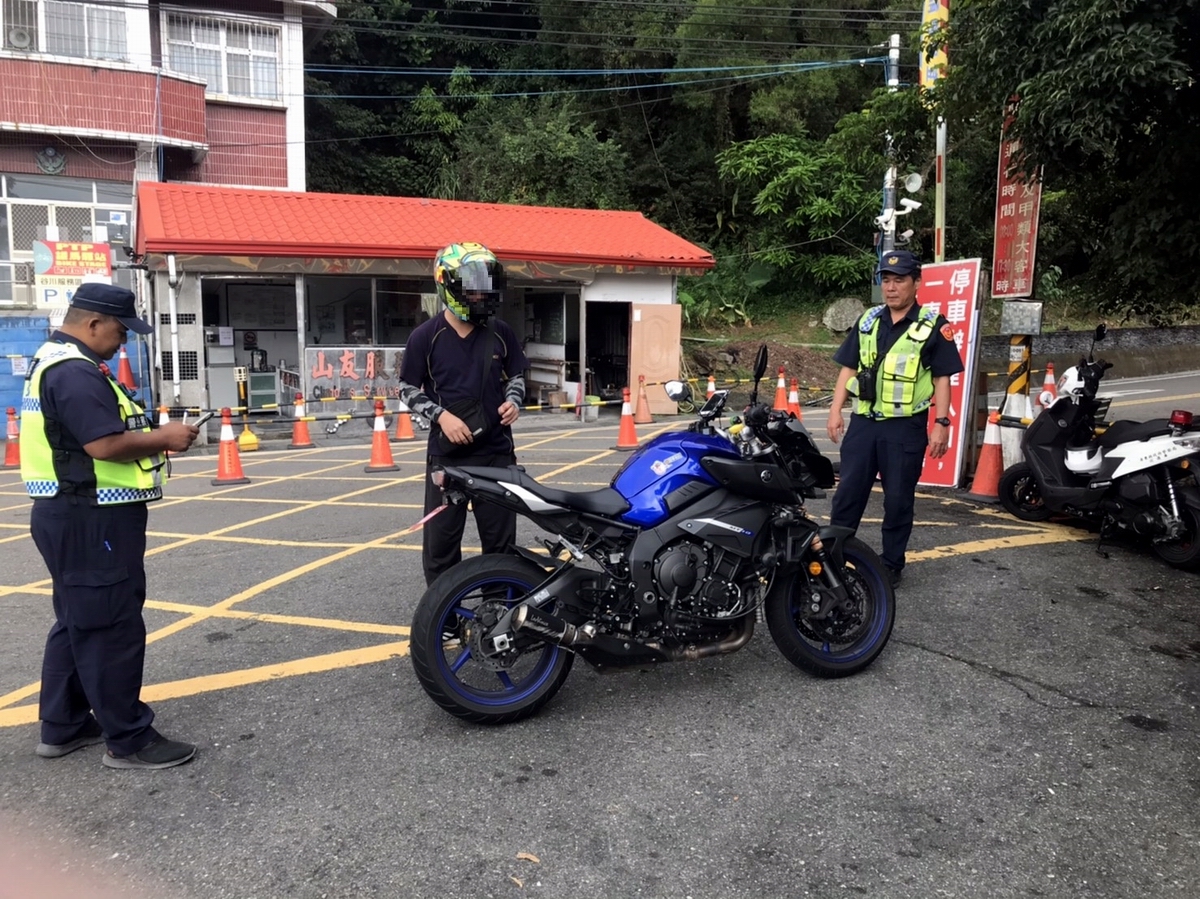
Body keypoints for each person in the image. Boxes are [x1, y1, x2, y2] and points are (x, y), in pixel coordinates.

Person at [21, 283, 200, 769]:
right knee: (110, 626)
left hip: (71, 513)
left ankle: (65, 725)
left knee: (77, 620)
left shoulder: (54, 360)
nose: (122, 341)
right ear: (93, 323)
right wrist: (164, 437)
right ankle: (130, 740)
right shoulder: (74, 372)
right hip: (90, 516)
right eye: (120, 331)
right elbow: (103, 445)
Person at [825, 250, 964, 587]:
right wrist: (835, 409)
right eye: (886, 280)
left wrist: (941, 424)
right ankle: (834, 558)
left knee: (899, 499)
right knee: (848, 495)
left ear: (917, 283)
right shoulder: (869, 320)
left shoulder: (934, 326)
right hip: (864, 424)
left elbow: (943, 377)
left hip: (905, 428)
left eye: (899, 280)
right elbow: (849, 367)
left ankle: (891, 566)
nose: (891, 287)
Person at [399, 242, 527, 586]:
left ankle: (500, 615)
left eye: (486, 283)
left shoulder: (501, 332)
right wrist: (441, 416)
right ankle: (446, 621)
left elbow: (516, 375)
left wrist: (514, 400)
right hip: (447, 458)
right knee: (441, 544)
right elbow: (406, 388)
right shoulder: (425, 337)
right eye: (472, 285)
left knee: (500, 544)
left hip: (497, 453)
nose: (481, 293)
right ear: (449, 285)